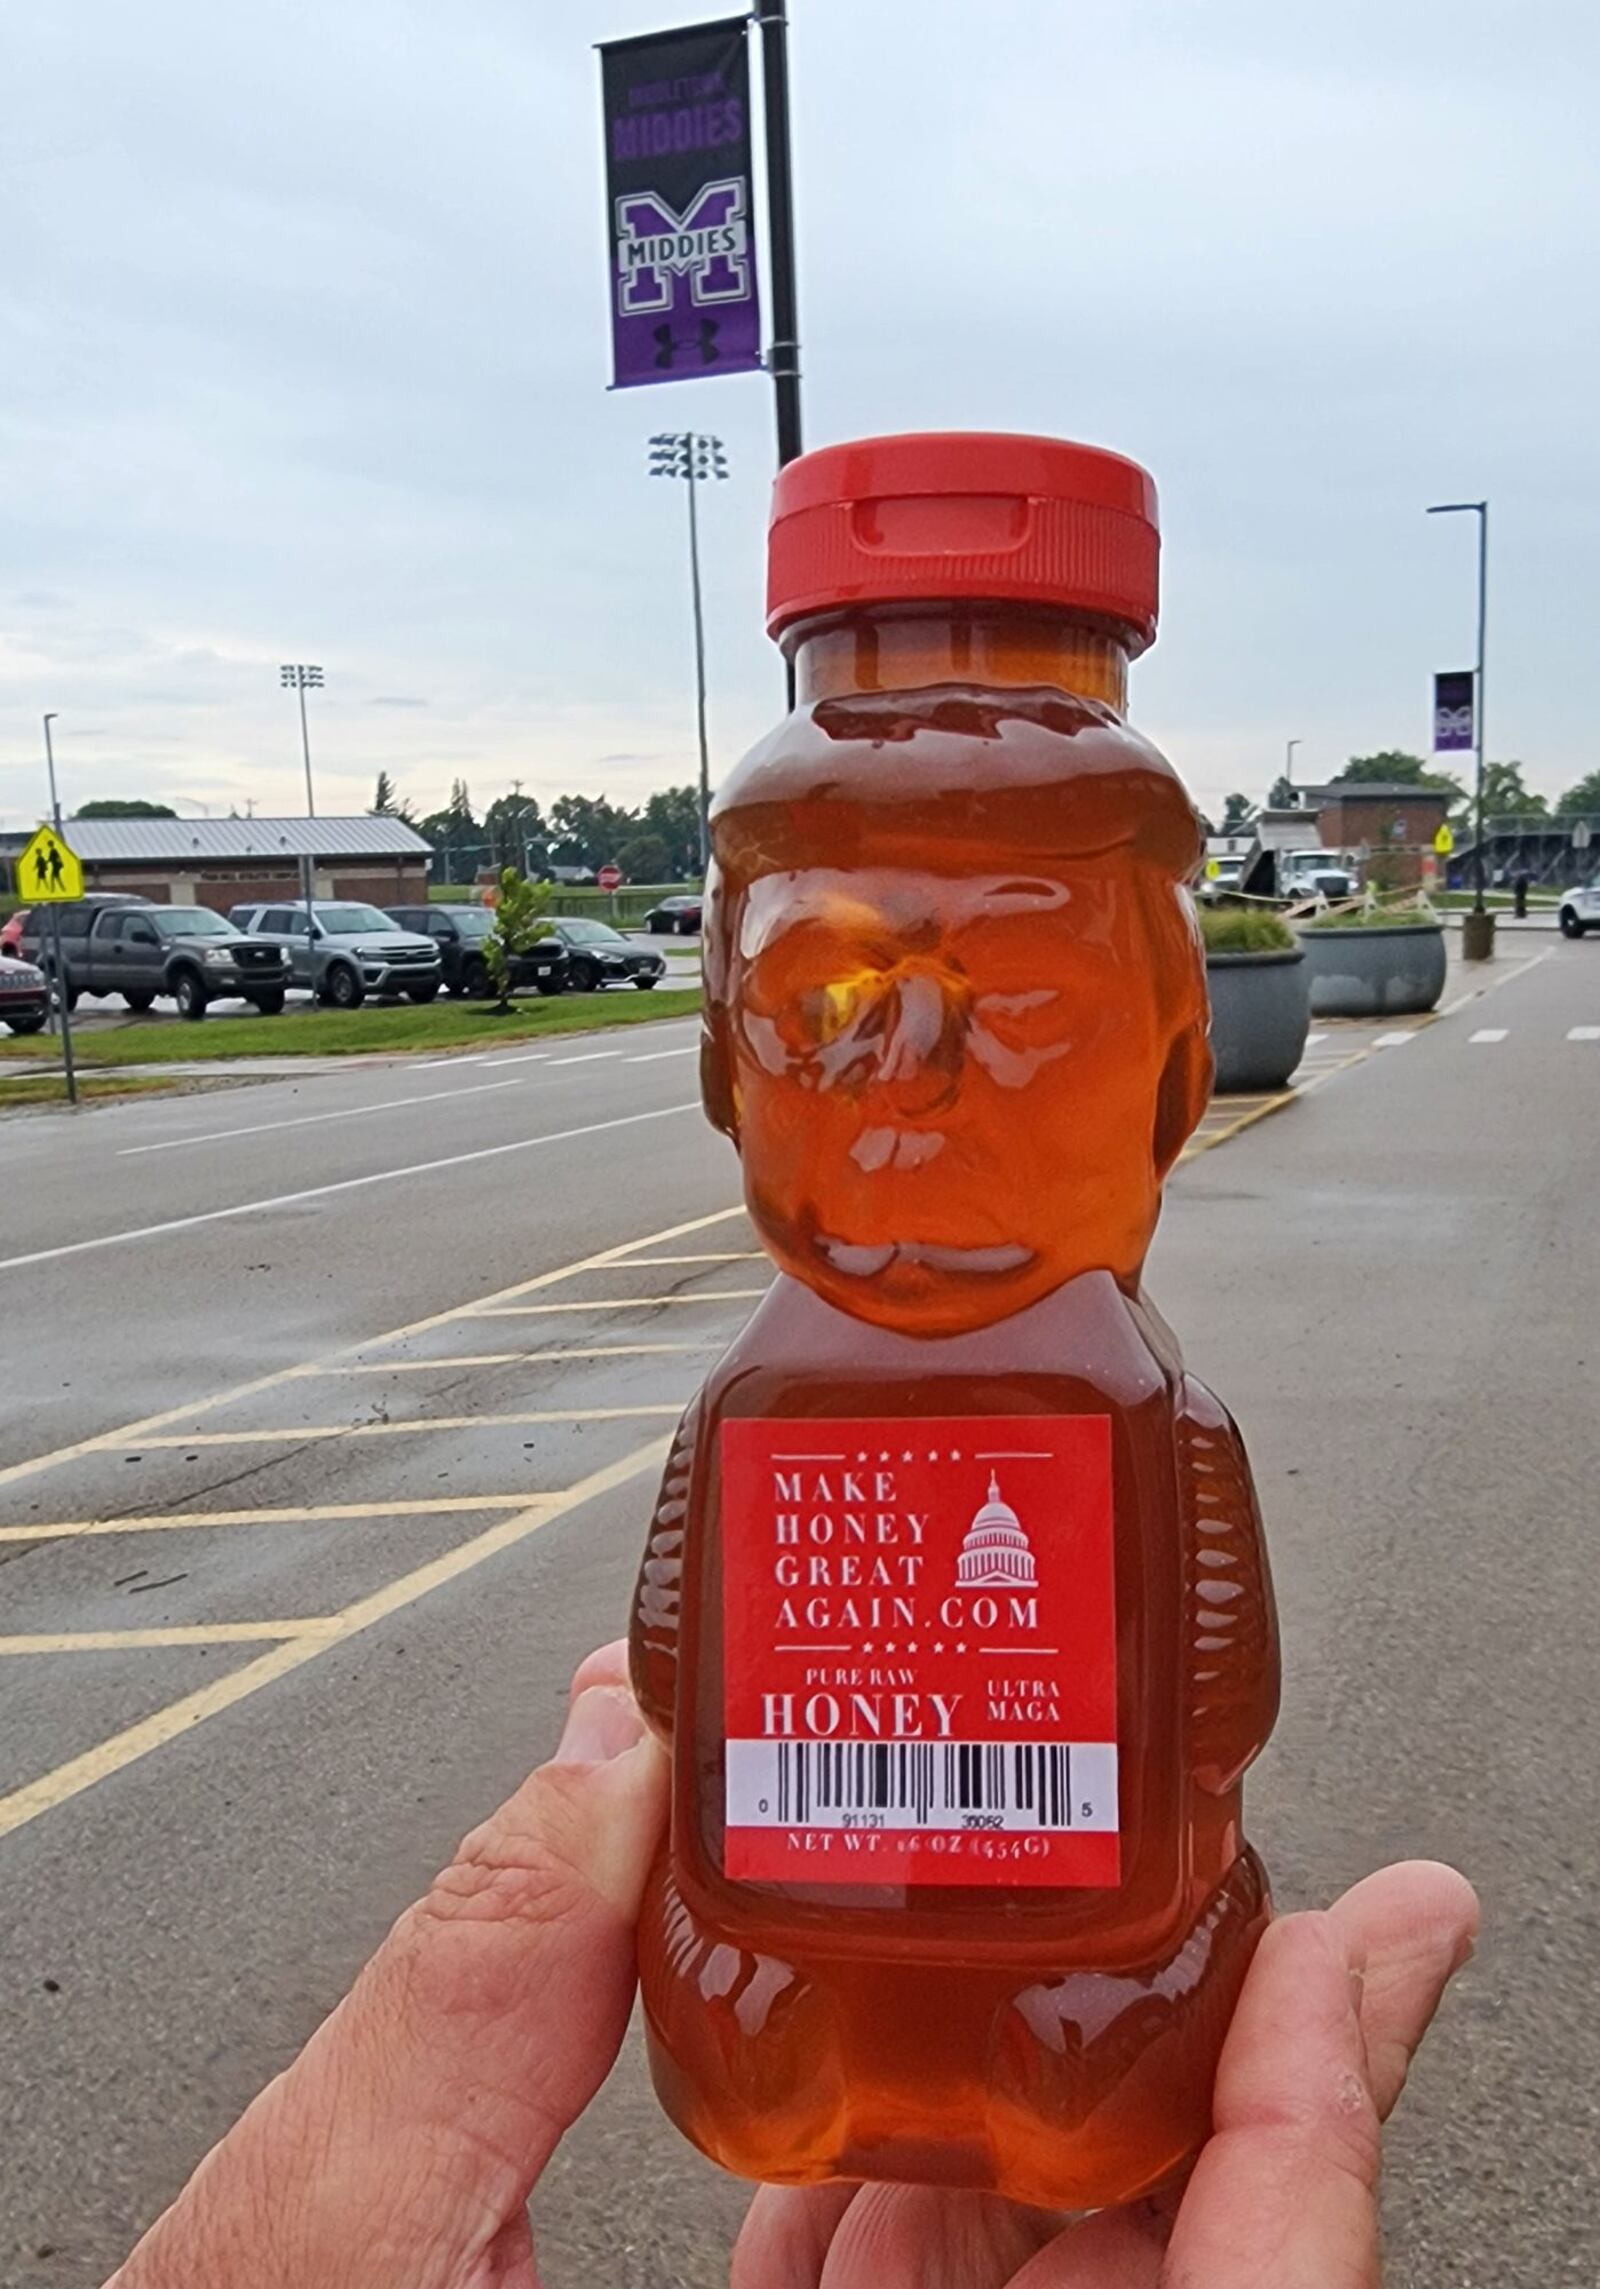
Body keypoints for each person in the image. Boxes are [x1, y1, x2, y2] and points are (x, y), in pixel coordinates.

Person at [108, 1642, 1478, 2289]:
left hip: (1087, 1981)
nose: (910, 1130)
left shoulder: (1145, 1397)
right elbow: (668, 1660)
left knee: (1134, 1988)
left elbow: (1221, 1674)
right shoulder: (756, 1400)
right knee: (749, 1981)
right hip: (794, 1990)